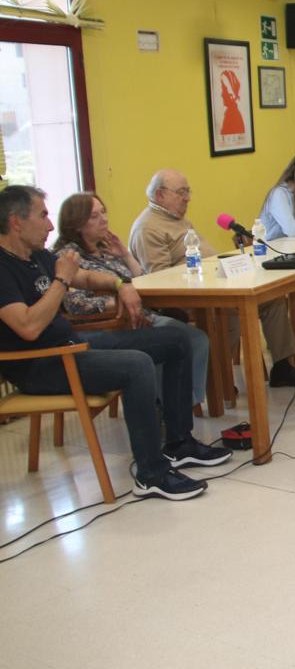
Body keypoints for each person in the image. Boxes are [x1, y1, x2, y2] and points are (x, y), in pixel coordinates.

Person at [0, 185, 229, 500]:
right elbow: (27, 326)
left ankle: (179, 443)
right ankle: (151, 473)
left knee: (177, 339)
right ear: (16, 222)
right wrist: (61, 280)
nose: (50, 225)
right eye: (42, 216)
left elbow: (86, 278)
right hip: (42, 364)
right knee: (136, 366)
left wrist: (120, 284)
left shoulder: (36, 254)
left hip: (73, 344)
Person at [130, 168, 295, 388]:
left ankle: (282, 367)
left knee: (271, 299)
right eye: (181, 192)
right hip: (189, 299)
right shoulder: (148, 228)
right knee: (229, 312)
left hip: (216, 285)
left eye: (188, 191)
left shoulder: (178, 219)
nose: (187, 197)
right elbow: (159, 279)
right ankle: (217, 379)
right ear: (160, 195)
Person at [53, 192, 211, 407]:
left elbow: (145, 283)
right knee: (182, 340)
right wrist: (123, 306)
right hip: (111, 326)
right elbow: (77, 304)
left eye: (103, 212)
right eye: (94, 216)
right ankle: (172, 408)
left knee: (196, 338)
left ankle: (183, 406)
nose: (104, 219)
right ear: (76, 224)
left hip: (140, 316)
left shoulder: (106, 249)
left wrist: (125, 255)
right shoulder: (68, 257)